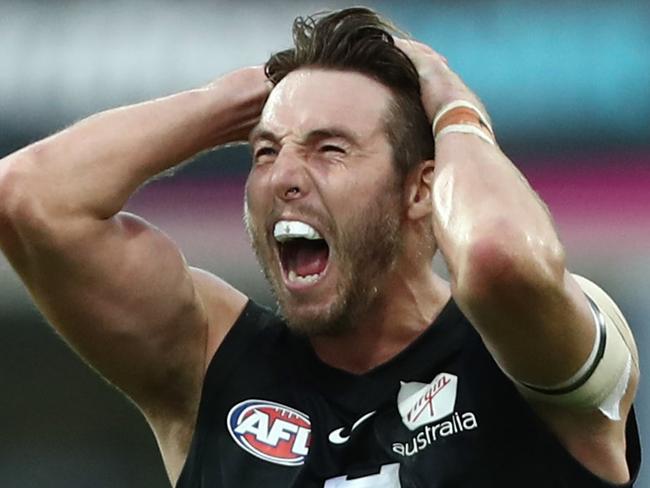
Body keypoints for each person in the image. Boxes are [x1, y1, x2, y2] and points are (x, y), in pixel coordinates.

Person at [0, 6, 641, 488]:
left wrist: (454, 112)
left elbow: (501, 256)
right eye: (266, 152)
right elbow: (29, 200)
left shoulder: (535, 345)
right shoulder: (208, 362)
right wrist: (239, 95)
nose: (283, 177)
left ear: (423, 190)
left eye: (330, 149)